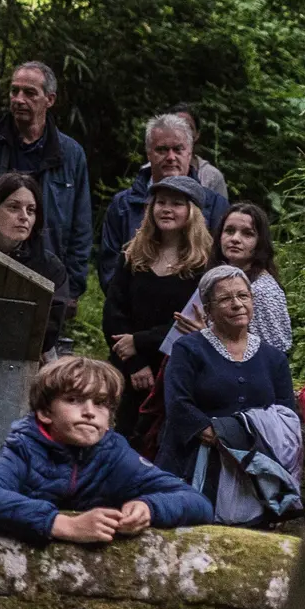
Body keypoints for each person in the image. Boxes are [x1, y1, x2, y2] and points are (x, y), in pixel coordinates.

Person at [0, 356, 212, 545]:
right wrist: (63, 524)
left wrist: (148, 508)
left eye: (101, 403)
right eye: (74, 400)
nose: (90, 411)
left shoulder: (114, 454)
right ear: (45, 412)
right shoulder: (25, 448)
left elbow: (198, 503)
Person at [158, 265, 300, 525]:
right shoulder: (188, 349)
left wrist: (249, 447)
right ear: (208, 310)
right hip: (196, 462)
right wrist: (222, 439)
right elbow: (178, 405)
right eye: (225, 299)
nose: (237, 304)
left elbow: (286, 415)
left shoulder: (273, 358)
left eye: (243, 296)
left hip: (254, 469)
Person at [104, 174, 213, 444]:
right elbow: (114, 313)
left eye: (176, 203)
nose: (166, 209)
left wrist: (140, 341)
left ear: (192, 212)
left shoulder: (204, 266)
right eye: (160, 202)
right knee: (116, 440)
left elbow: (190, 324)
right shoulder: (133, 255)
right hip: (127, 367)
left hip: (174, 370)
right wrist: (136, 363)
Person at [0, 62, 92, 300]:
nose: (18, 99)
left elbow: (81, 227)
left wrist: (71, 289)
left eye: (29, 93)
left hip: (46, 277)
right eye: (14, 91)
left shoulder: (71, 154)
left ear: (50, 99)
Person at [95, 114, 229, 293]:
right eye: (162, 149)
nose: (171, 157)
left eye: (178, 149)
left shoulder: (214, 205)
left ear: (190, 152)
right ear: (149, 153)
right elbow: (109, 267)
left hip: (193, 314)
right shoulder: (123, 205)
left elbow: (222, 265)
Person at [172, 203, 291, 354]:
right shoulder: (216, 278)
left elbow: (274, 356)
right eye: (229, 231)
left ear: (260, 242)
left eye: (247, 233)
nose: (235, 239)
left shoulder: (262, 290)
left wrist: (207, 338)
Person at [0, 173, 70, 354]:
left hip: (24, 357)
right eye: (14, 207)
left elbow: (47, 334)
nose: (24, 216)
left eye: (31, 210)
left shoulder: (50, 268)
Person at [170, 104, 230, 200]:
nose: (181, 131)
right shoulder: (149, 170)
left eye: (187, 127)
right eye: (176, 126)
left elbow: (221, 213)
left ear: (197, 134)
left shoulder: (212, 176)